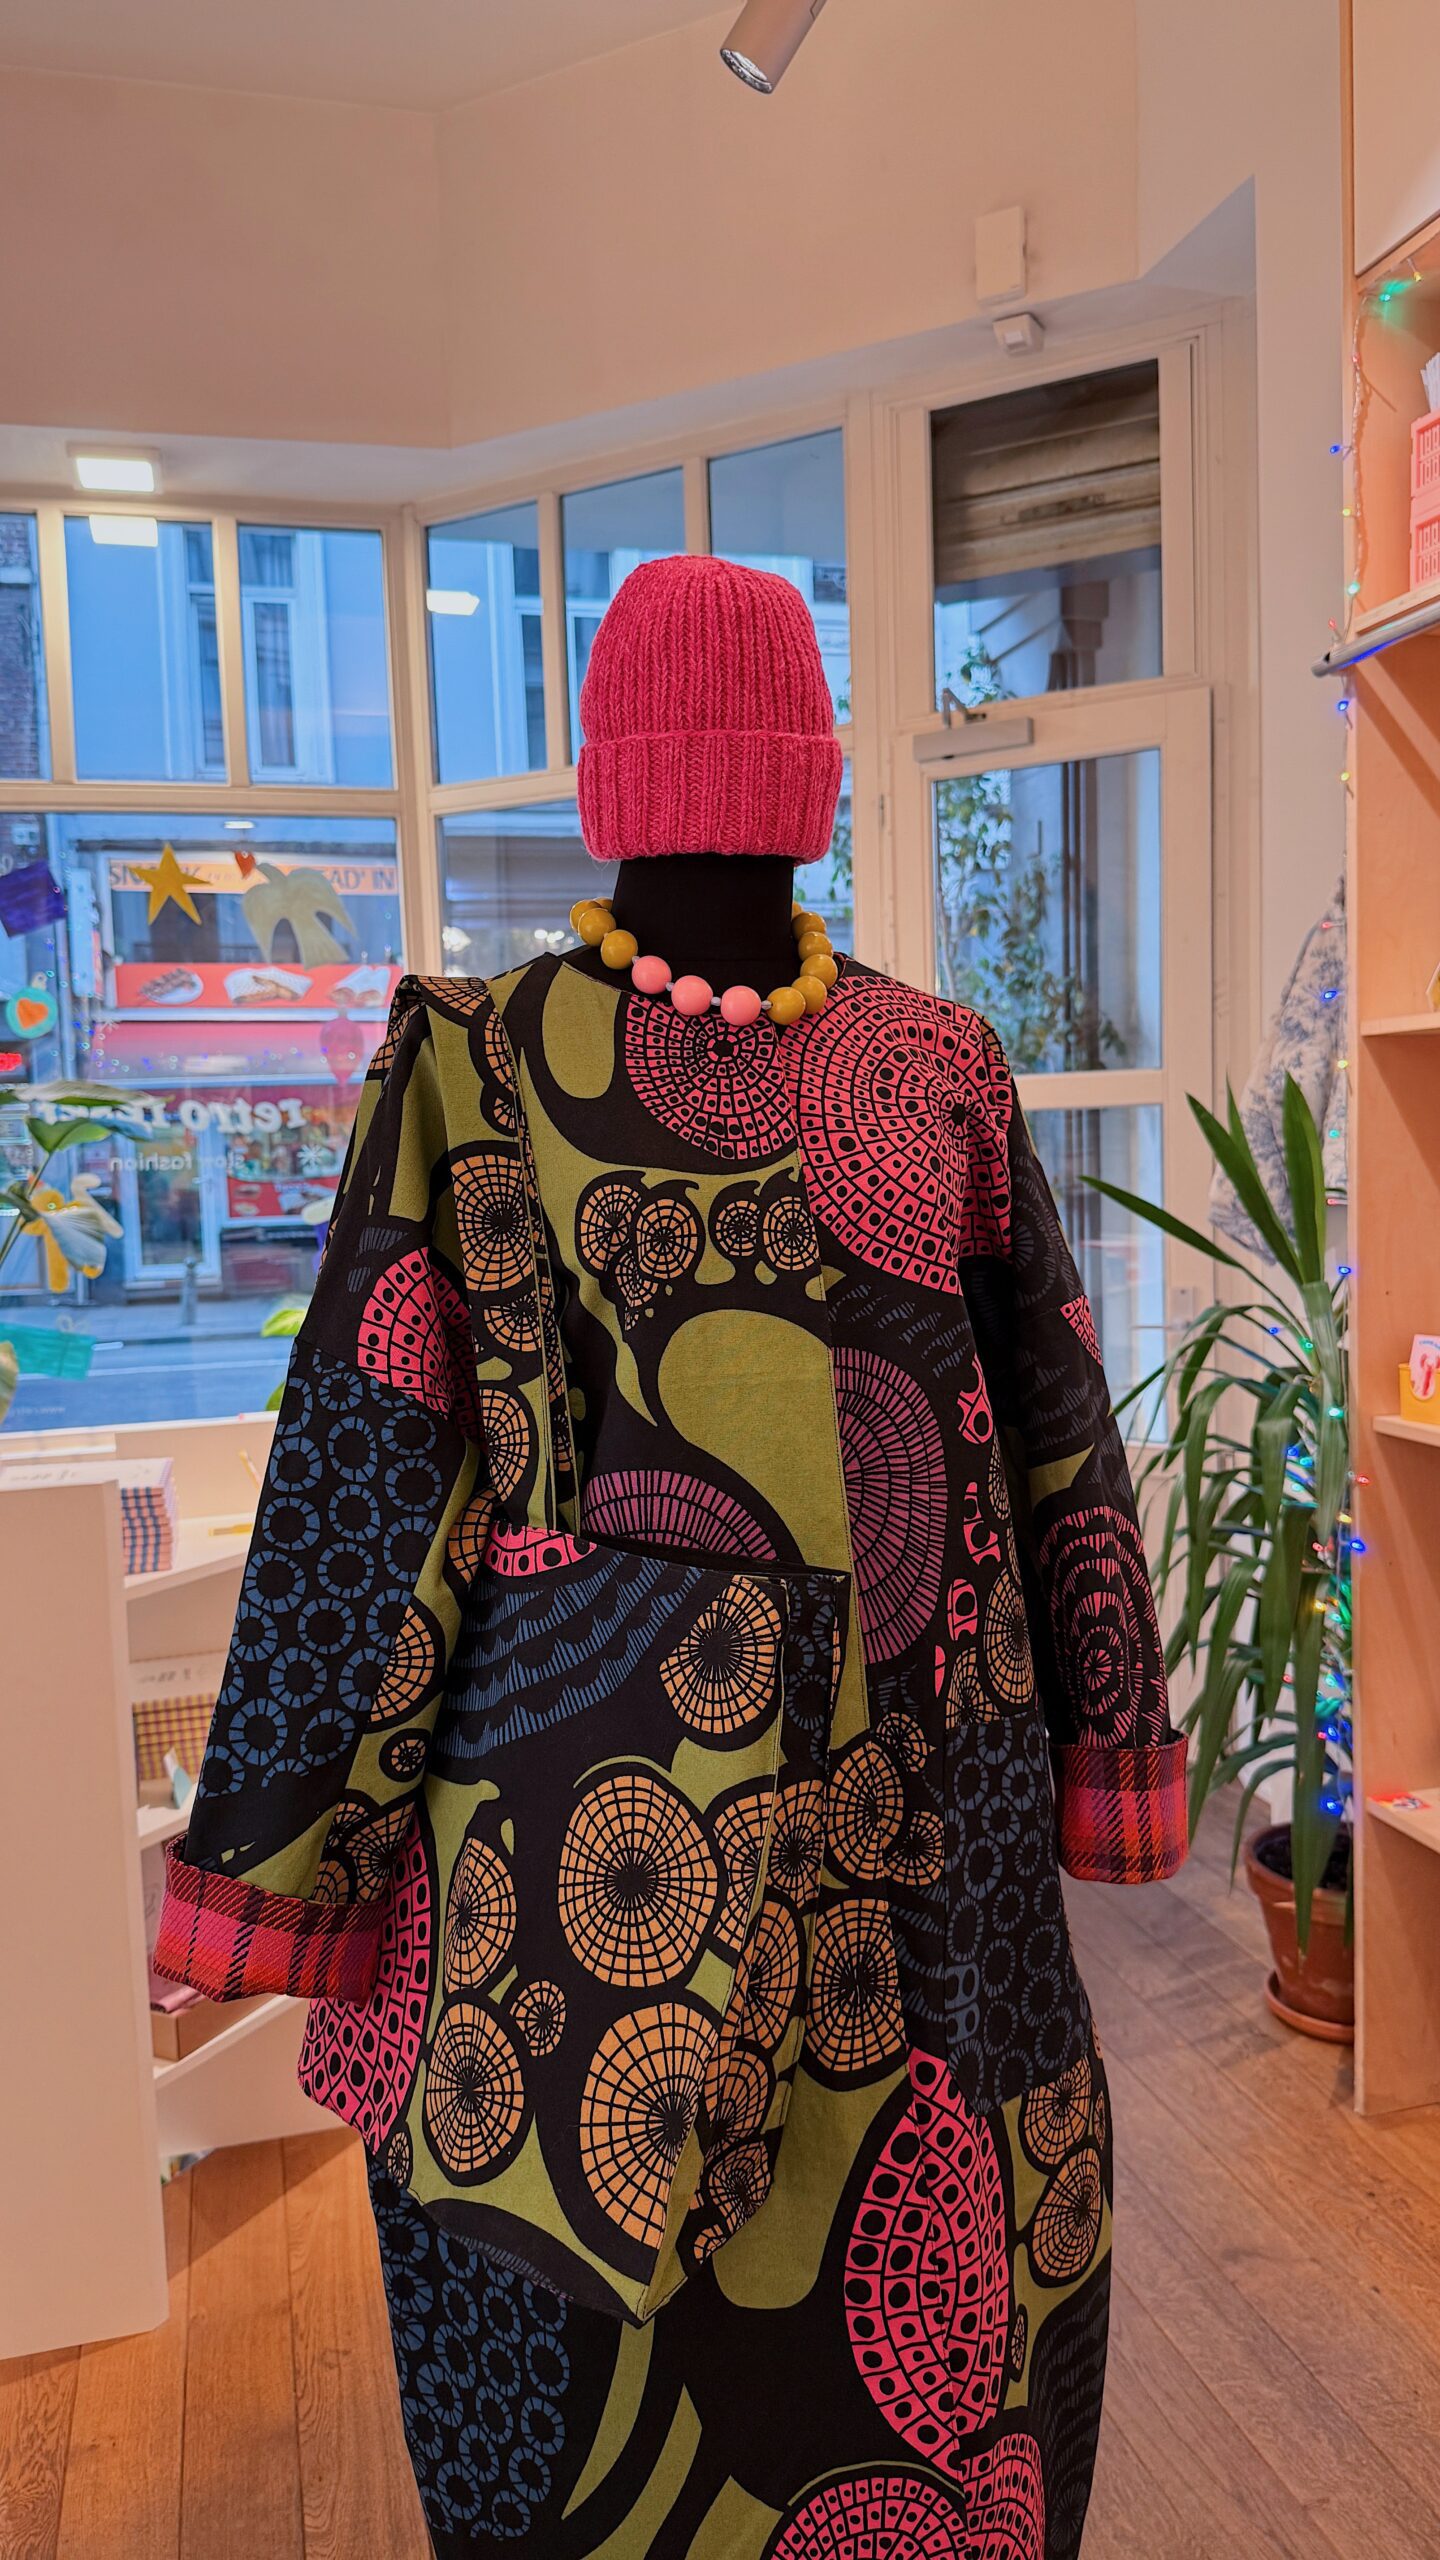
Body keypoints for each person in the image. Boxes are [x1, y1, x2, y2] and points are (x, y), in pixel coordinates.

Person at [157, 555, 1186, 2559]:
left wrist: (278, 1864)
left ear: (611, 773)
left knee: (850, 2350)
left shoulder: (930, 1066)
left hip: (690, 1863)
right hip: (699, 1879)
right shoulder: (477, 1059)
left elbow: (374, 1479)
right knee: (726, 2379)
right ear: (804, 772)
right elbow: (379, 1451)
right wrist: (1108, 1734)